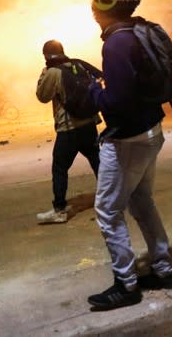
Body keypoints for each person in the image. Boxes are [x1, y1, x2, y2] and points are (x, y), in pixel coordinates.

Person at [85, 0, 172, 311]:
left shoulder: (117, 44)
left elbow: (117, 104)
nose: (91, 4)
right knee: (142, 202)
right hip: (151, 131)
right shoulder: (137, 32)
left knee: (108, 211)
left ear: (105, 0)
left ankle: (126, 284)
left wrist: (91, 92)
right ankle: (163, 268)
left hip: (128, 140)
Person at [35, 40, 102, 223]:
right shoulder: (78, 64)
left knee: (59, 168)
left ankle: (59, 209)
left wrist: (44, 74)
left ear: (46, 56)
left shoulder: (53, 72)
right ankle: (111, 198)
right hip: (89, 123)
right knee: (98, 162)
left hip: (69, 128)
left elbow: (42, 96)